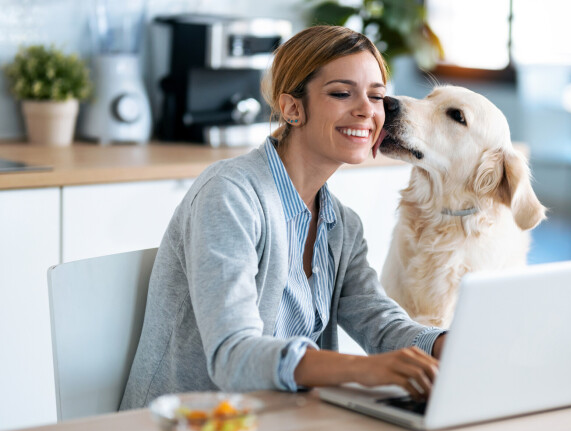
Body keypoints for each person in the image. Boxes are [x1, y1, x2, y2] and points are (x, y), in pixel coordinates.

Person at [120, 25, 446, 411]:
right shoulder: (230, 195)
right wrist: (365, 369)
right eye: (342, 93)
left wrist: (448, 343)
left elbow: (381, 323)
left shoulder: (342, 225)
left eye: (376, 97)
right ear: (292, 108)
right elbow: (233, 355)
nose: (366, 110)